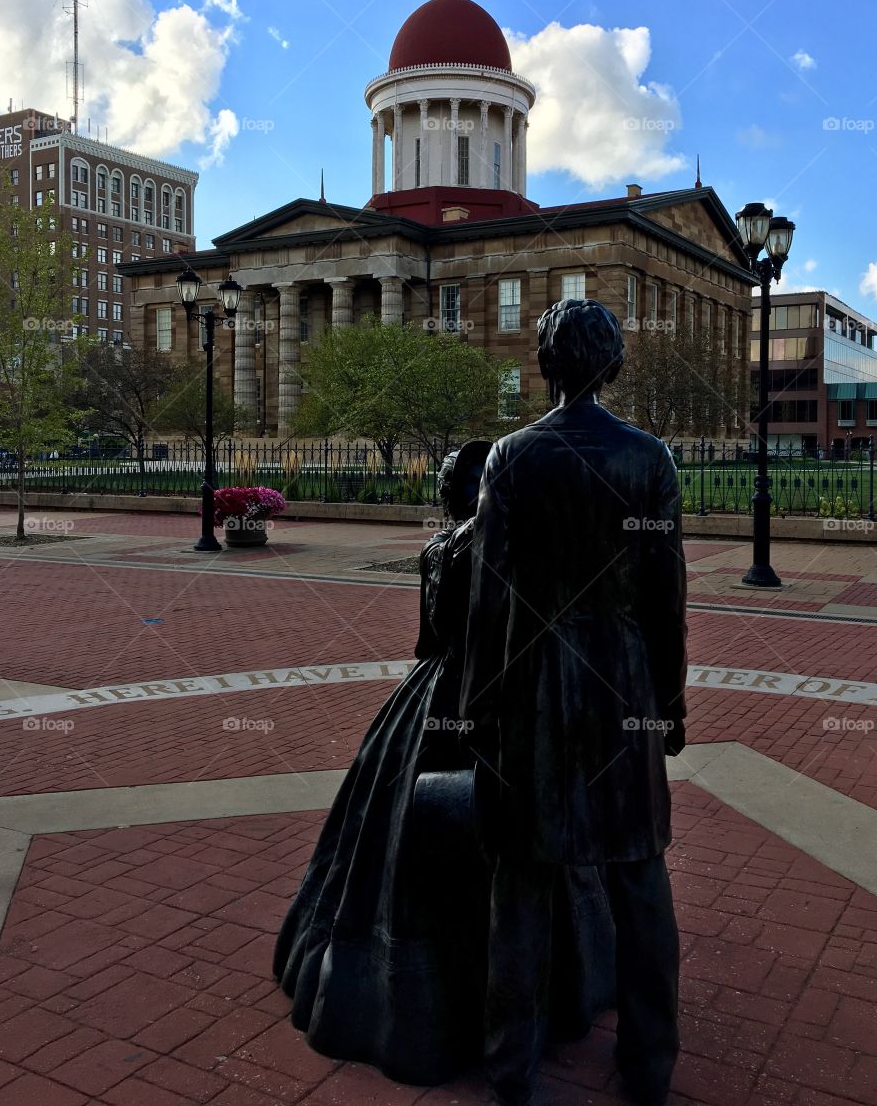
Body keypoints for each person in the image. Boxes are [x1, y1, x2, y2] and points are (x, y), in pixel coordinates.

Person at [273, 439, 613, 1086]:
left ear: (453, 492)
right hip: (512, 709)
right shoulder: (528, 547)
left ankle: (412, 1001)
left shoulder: (440, 551)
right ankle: (553, 991)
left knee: (401, 840)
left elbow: (431, 642)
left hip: (440, 700)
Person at [461, 299, 688, 1106]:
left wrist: (474, 709)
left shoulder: (511, 460)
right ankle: (649, 1065)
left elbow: (489, 600)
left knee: (519, 886)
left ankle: (510, 1068)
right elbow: (665, 600)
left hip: (530, 690)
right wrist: (668, 702)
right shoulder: (648, 459)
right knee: (638, 878)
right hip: (621, 686)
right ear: (615, 364)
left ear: (546, 366)